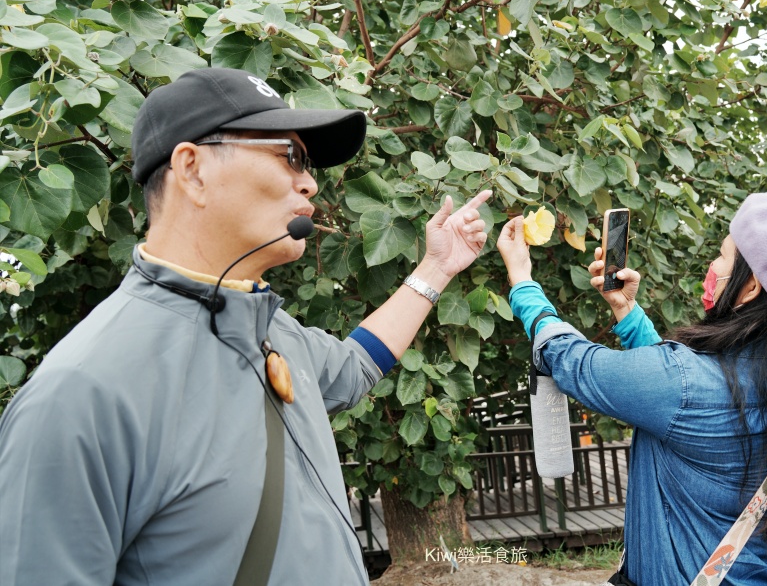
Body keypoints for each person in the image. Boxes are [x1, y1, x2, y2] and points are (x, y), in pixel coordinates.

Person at [0, 67, 491, 585]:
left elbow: (354, 367)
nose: (310, 180)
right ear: (192, 169)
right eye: (290, 155)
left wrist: (437, 267)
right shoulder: (82, 395)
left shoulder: (271, 329)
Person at [497, 193, 767, 585]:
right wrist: (625, 310)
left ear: (751, 286)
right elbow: (676, 391)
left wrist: (522, 280)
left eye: (722, 256)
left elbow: (569, 359)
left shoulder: (688, 385)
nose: (712, 266)